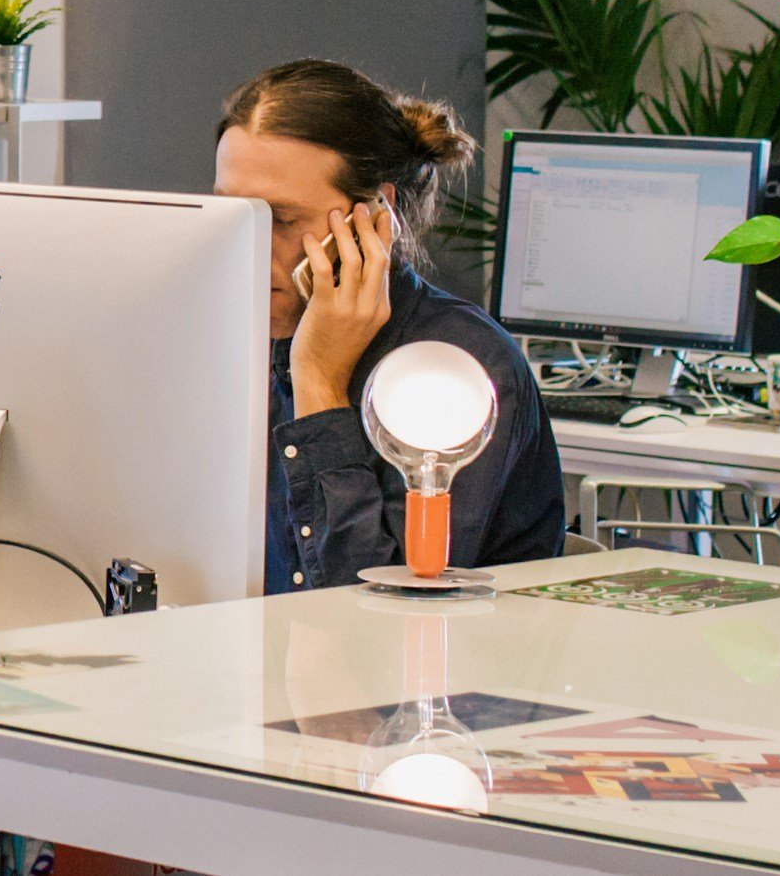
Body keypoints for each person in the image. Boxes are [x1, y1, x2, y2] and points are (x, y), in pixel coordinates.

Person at [213, 58, 562, 592]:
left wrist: (318, 380)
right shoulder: (226, 337)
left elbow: (375, 617)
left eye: (282, 220)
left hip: (426, 672)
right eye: (233, 214)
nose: (249, 244)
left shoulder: (455, 367)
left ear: (377, 215)